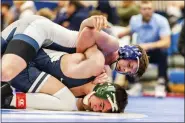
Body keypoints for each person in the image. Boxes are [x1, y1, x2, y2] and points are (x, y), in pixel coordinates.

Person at [118, 1, 171, 97]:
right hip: (139, 53)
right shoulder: (135, 20)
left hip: (154, 51)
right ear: (140, 10)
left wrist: (148, 46)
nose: (147, 11)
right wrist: (114, 33)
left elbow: (166, 42)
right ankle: (134, 85)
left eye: (149, 9)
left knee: (163, 52)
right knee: (125, 54)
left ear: (153, 9)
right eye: (144, 9)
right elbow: (129, 30)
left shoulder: (161, 20)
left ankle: (161, 84)